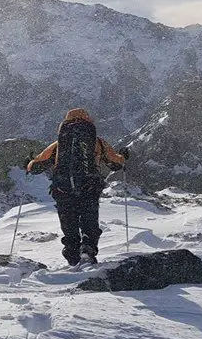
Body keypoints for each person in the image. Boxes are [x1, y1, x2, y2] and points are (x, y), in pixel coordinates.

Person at [26, 108, 128, 265]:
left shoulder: (58, 145)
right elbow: (115, 164)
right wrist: (123, 157)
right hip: (89, 189)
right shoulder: (97, 142)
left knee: (69, 226)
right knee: (90, 223)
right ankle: (88, 250)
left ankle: (72, 257)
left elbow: (36, 167)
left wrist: (29, 163)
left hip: (63, 190)